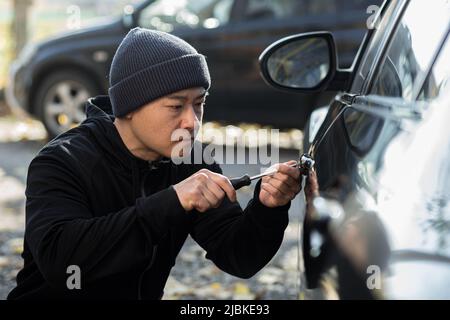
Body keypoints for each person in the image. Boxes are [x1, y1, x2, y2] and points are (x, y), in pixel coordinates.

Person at [8, 28, 301, 300]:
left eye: (199, 103)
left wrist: (268, 209)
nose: (191, 121)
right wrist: (172, 201)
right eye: (176, 106)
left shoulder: (192, 161)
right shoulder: (62, 161)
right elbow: (64, 265)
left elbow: (239, 257)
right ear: (130, 106)